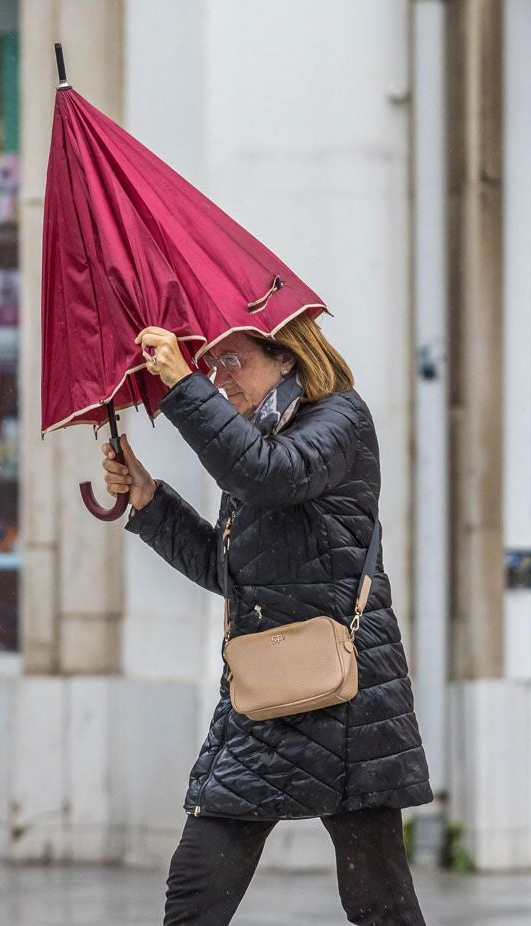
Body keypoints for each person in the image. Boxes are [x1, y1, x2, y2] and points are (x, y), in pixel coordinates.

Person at [103, 316, 431, 926]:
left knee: (378, 898)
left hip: (347, 698)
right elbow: (229, 569)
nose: (219, 377)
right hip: (264, 691)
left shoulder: (337, 420)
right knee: (197, 887)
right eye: (212, 363)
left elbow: (268, 474)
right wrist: (149, 500)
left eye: (235, 361)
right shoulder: (254, 435)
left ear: (286, 358)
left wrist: (182, 385)